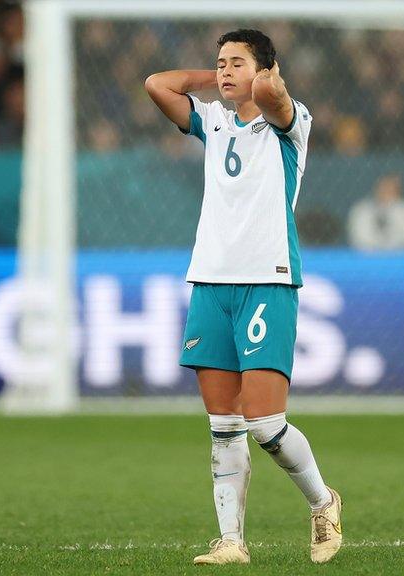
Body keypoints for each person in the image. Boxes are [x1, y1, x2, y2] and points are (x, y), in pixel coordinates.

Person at [144, 29, 342, 565]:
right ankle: (231, 540)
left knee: (266, 424)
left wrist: (261, 81)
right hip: (210, 281)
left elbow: (275, 99)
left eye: (236, 62)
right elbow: (157, 84)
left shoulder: (290, 122)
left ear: (266, 69)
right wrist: (221, 79)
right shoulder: (213, 120)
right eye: (219, 62)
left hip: (268, 279)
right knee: (222, 424)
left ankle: (324, 504)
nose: (224, 70)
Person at [347, 173, 404, 250]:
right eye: (384, 184)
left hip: (403, 259)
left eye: (391, 184)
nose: (386, 188)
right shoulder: (361, 210)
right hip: (367, 260)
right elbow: (359, 238)